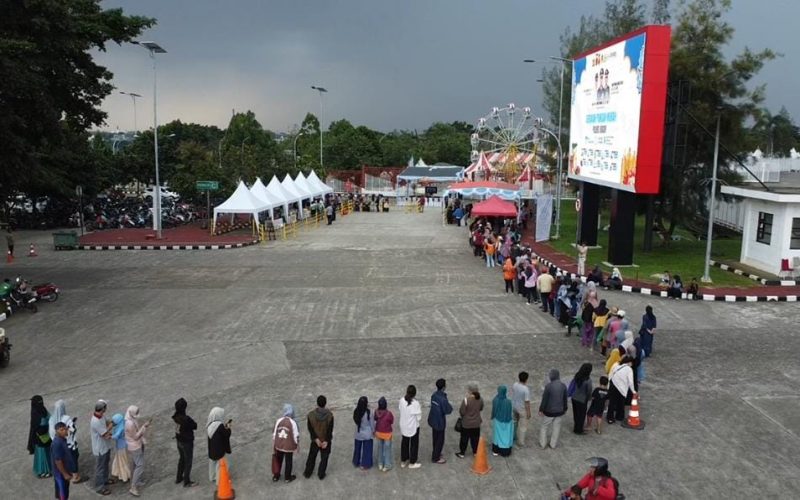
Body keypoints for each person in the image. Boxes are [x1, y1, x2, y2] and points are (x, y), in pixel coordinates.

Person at [48, 400, 83, 484]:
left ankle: (68, 472)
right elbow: (73, 430)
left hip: (59, 444)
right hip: (70, 444)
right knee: (73, 459)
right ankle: (75, 477)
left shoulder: (51, 420)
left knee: (63, 459)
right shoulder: (66, 418)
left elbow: (51, 433)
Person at [303, 395, 334, 480]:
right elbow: (330, 429)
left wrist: (316, 439)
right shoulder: (330, 415)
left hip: (315, 440)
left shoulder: (311, 415)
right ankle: (321, 474)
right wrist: (326, 441)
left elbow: (310, 428)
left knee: (312, 456)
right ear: (325, 403)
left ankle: (308, 472)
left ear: (317, 403)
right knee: (324, 458)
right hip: (325, 440)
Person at [124, 406, 150, 497]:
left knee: (136, 463)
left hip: (137, 444)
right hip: (135, 446)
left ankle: (137, 481)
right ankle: (133, 486)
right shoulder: (129, 424)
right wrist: (144, 427)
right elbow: (135, 436)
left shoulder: (131, 419)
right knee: (140, 465)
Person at [538, 369, 568, 449]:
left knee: (544, 426)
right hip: (560, 411)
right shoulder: (563, 386)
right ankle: (553, 444)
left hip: (549, 411)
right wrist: (565, 408)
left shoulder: (548, 386)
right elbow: (565, 398)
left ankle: (543, 443)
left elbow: (544, 399)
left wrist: (541, 409)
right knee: (556, 428)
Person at [172, 397, 197, 488]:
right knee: (188, 461)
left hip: (179, 441)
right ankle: (187, 481)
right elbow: (195, 426)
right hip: (187, 442)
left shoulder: (176, 417)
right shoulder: (186, 419)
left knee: (182, 459)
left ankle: (179, 477)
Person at [90, 400, 113, 496]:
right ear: (102, 409)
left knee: (106, 464)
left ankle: (105, 479)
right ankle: (100, 487)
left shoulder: (101, 416)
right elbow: (105, 434)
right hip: (100, 448)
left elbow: (108, 422)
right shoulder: (95, 421)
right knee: (100, 468)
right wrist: (111, 427)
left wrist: (110, 425)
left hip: (105, 446)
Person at [427, 378, 452, 464]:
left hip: (433, 419)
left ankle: (436, 452)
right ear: (444, 387)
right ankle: (436, 457)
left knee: (435, 438)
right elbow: (448, 410)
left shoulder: (434, 395)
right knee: (440, 440)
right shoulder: (443, 399)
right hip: (440, 422)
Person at [51, 422, 79, 500]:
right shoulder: (57, 443)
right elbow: (58, 461)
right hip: (60, 473)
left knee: (63, 490)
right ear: (57, 431)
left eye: (65, 429)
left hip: (65, 469)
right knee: (63, 492)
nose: (65, 431)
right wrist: (65, 474)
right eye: (61, 430)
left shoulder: (62, 439)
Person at [273, 403, 299, 482]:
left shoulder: (279, 420)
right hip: (289, 446)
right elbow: (296, 436)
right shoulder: (293, 422)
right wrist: (296, 446)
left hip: (278, 445)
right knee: (288, 461)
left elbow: (274, 434)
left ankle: (276, 476)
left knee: (278, 460)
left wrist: (274, 444)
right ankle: (287, 477)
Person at [456, 383, 483, 458]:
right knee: (475, 439)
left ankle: (462, 453)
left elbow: (462, 412)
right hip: (476, 423)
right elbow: (481, 408)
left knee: (464, 439)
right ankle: (475, 452)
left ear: (470, 391)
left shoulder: (466, 400)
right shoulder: (480, 399)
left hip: (466, 423)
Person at [398, 385, 422, 469]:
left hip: (403, 425)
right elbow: (419, 418)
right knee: (414, 444)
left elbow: (400, 409)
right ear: (414, 394)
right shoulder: (416, 403)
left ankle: (403, 461)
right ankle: (412, 462)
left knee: (404, 442)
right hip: (413, 427)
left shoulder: (401, 400)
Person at [28, 395, 52, 478]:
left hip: (40, 439)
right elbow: (49, 418)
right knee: (48, 453)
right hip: (48, 436)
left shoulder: (34, 412)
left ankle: (43, 471)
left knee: (42, 455)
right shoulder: (43, 409)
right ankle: (50, 469)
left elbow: (34, 428)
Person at [607, 357, 636, 425]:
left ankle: (610, 418)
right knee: (621, 403)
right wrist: (633, 391)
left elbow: (611, 375)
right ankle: (619, 417)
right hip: (622, 388)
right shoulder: (629, 369)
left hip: (613, 385)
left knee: (612, 402)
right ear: (629, 362)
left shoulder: (617, 366)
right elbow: (631, 382)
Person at [207, 407, 232, 484]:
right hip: (219, 450)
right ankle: (220, 481)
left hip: (211, 449)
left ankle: (212, 477)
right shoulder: (220, 426)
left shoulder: (209, 425)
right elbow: (226, 434)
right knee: (220, 466)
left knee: (212, 463)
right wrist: (228, 427)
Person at [490, 385, 514, 457]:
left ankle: (496, 451)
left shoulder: (495, 400)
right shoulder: (508, 402)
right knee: (506, 436)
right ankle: (505, 451)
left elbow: (494, 410)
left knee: (496, 436)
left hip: (497, 421)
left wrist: (492, 416)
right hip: (507, 422)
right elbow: (509, 412)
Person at [570, 363, 593, 434]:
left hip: (574, 397)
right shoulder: (588, 380)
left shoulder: (577, 376)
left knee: (576, 414)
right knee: (581, 415)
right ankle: (579, 429)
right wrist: (589, 398)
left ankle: (576, 427)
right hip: (582, 400)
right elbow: (589, 391)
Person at [511, 371, 531, 448]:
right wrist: (528, 412)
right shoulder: (526, 389)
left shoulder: (515, 384)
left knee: (514, 423)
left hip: (514, 406)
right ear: (526, 379)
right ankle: (521, 442)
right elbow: (527, 402)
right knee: (523, 427)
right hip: (522, 409)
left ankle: (513, 437)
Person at [352, 396, 374, 469]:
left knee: (357, 449)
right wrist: (373, 431)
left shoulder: (356, 411)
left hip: (358, 433)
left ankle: (356, 462)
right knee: (367, 450)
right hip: (367, 434)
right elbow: (372, 424)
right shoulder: (369, 413)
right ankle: (365, 464)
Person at [373, 397, 394, 472]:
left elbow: (375, 418)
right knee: (387, 450)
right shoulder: (389, 413)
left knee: (380, 448)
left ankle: (380, 464)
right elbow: (392, 421)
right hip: (387, 434)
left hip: (379, 432)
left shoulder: (376, 412)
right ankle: (387, 465)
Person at [109, 413, 130, 484]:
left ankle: (125, 476)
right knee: (120, 460)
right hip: (122, 446)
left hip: (121, 447)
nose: (113, 423)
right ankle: (118, 473)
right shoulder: (122, 425)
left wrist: (109, 436)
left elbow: (116, 436)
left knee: (122, 462)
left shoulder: (121, 428)